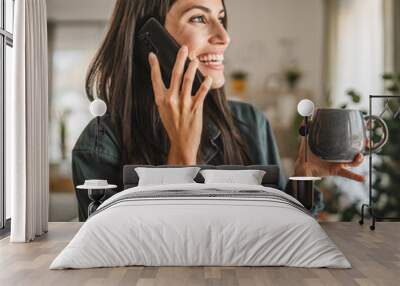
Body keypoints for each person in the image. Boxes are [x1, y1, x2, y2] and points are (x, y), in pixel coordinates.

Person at [72, 0, 364, 221]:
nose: (224, 36)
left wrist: (304, 177)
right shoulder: (99, 145)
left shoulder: (251, 122)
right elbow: (116, 253)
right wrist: (181, 158)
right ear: (149, 37)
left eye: (221, 18)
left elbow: (281, 228)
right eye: (199, 18)